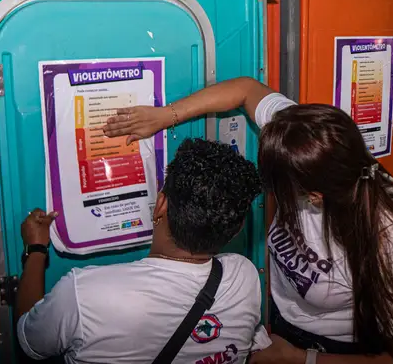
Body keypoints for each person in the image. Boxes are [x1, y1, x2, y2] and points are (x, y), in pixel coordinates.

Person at [103, 78, 393, 364]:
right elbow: (246, 90)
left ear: (313, 196)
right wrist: (165, 115)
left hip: (340, 351)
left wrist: (301, 358)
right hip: (283, 326)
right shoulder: (301, 139)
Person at [16, 138, 270, 363]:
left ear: (160, 205)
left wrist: (36, 249)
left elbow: (29, 341)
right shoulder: (243, 277)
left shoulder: (83, 294)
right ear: (236, 231)